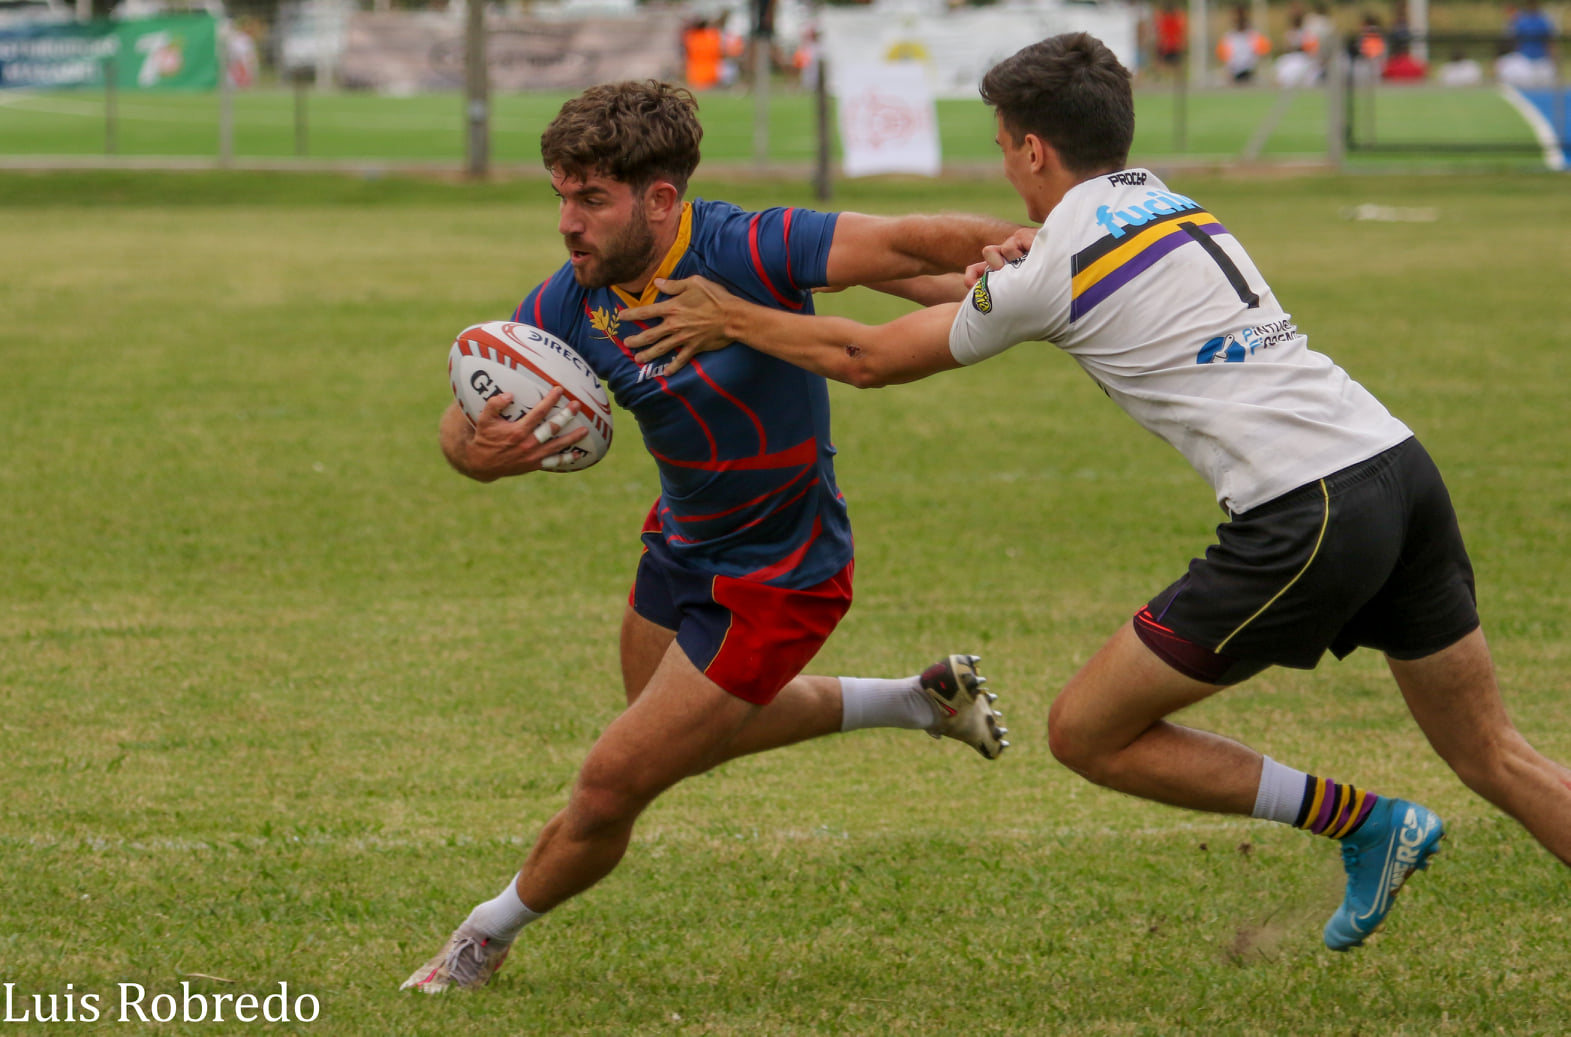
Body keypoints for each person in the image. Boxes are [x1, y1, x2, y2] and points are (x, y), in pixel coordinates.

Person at [620, 33, 1571, 952]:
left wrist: (732, 314)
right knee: (1494, 753)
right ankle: (1376, 830)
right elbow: (986, 301)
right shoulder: (1163, 202)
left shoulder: (1057, 260)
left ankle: (1363, 823)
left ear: (1033, 148)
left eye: (1001, 148)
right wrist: (928, 285)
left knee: (1087, 732)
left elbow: (867, 361)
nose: (1002, 169)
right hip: (1398, 468)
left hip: (1307, 510)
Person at [401, 80, 1020, 994]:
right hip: (681, 541)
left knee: (614, 782)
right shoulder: (579, 293)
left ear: (660, 199)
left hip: (780, 572)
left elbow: (905, 240)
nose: (568, 222)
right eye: (561, 196)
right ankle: (916, 701)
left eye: (591, 199)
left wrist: (1043, 250)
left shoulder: (745, 244)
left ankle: (481, 938)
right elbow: (472, 408)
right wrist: (478, 450)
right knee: (680, 734)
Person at [1216, 4, 1269, 83]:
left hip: (1250, 73)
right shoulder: (1228, 37)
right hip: (1233, 73)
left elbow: (1262, 55)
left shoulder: (1254, 36)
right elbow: (1225, 59)